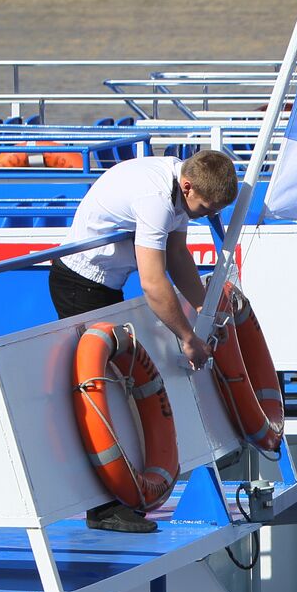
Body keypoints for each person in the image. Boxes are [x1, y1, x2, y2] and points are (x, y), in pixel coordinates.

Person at [49, 149, 239, 533]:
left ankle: (115, 500)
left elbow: (176, 256)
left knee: (117, 390)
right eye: (206, 208)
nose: (210, 216)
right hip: (81, 285)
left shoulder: (179, 187)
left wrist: (205, 306)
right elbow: (153, 283)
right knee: (102, 396)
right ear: (188, 187)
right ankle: (103, 509)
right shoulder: (156, 200)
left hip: (105, 285)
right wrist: (187, 337)